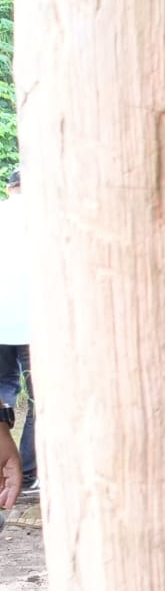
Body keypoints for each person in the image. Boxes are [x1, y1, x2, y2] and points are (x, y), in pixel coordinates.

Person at [0, 169, 36, 497]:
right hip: (33, 322)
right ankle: (28, 472)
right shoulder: (42, 216)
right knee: (41, 399)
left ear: (10, 188)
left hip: (3, 323)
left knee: (3, 388)